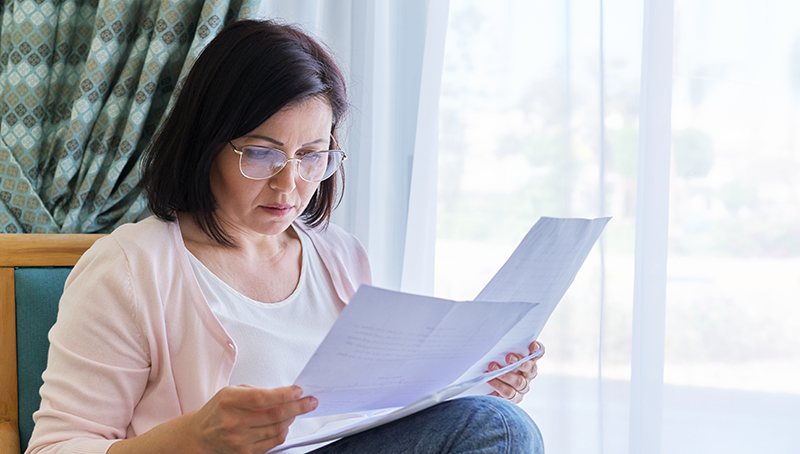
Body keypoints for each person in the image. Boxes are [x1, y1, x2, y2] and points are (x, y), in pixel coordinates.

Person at [25, 19, 545, 454]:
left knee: (496, 418)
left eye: (312, 155)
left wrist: (472, 385)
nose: (289, 183)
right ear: (207, 144)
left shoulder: (340, 257)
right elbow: (57, 447)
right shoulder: (130, 269)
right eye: (262, 152)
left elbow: (381, 416)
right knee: (498, 428)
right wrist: (194, 437)